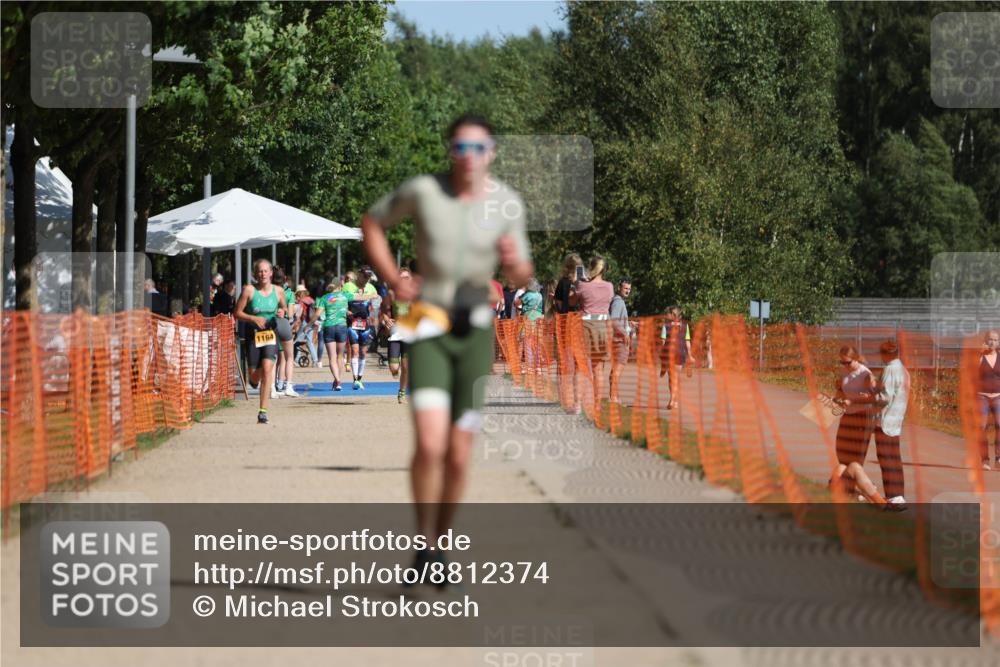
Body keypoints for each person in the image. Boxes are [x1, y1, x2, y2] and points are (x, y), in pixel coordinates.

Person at [361, 113, 533, 579]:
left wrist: (516, 267)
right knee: (431, 444)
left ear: (491, 153)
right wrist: (394, 278)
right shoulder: (424, 190)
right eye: (460, 148)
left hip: (475, 331)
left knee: (458, 453)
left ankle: (439, 542)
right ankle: (425, 545)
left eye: (478, 148)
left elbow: (521, 275)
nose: (469, 157)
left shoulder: (506, 203)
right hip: (431, 324)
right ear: (450, 152)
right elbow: (372, 223)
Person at [828, 345, 896, 508]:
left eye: (848, 362)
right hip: (847, 414)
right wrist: (838, 397)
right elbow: (841, 391)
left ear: (856, 359)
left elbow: (873, 398)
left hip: (862, 417)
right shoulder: (844, 372)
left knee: (856, 457)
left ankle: (857, 489)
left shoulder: (866, 374)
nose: (845, 365)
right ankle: (848, 487)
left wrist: (854, 400)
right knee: (841, 450)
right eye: (841, 362)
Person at [233, 258, 289, 424]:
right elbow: (237, 313)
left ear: (271, 273)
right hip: (253, 335)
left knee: (267, 369)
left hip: (270, 333)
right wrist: (253, 318)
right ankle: (253, 379)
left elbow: (284, 307)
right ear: (255, 274)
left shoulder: (278, 291)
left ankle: (263, 411)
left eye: (266, 271)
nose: (263, 274)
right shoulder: (249, 290)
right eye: (260, 271)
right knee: (255, 376)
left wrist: (281, 311)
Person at [570, 256, 615, 413]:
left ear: (591, 267)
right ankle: (597, 405)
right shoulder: (609, 287)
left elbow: (571, 302)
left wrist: (576, 284)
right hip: (602, 326)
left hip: (585, 325)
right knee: (598, 368)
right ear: (604, 270)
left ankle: (577, 405)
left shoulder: (583, 285)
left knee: (580, 366)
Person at [873, 340, 909, 507]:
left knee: (885, 457)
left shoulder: (889, 369)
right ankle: (898, 495)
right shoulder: (903, 369)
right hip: (897, 419)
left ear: (886, 354)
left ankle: (892, 495)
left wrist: (871, 396)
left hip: (885, 420)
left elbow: (885, 397)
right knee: (895, 458)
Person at [382, 269, 414, 402]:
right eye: (401, 278)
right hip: (395, 334)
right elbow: (384, 311)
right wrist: (386, 319)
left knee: (406, 368)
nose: (404, 280)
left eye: (406, 278)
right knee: (394, 368)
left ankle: (401, 392)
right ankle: (396, 373)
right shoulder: (391, 294)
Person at [311, 280, 350, 390]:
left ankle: (337, 380)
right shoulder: (344, 295)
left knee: (332, 357)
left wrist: (308, 325)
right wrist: (373, 295)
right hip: (342, 327)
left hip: (329, 327)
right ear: (339, 287)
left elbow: (317, 314)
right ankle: (337, 381)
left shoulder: (324, 298)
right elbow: (359, 297)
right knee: (340, 356)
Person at [346, 270, 378, 390]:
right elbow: (342, 300)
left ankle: (360, 379)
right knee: (354, 351)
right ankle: (355, 380)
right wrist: (345, 310)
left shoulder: (371, 288)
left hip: (365, 324)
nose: (366, 279)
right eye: (364, 277)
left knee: (363, 353)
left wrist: (374, 315)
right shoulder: (348, 286)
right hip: (352, 323)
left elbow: (376, 302)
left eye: (368, 277)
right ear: (359, 275)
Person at [659, 306, 694, 409]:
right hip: (681, 353)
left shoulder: (666, 325)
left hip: (670, 352)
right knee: (676, 377)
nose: (666, 316)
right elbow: (687, 341)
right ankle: (675, 400)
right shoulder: (685, 325)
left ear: (673, 315)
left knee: (672, 377)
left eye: (668, 314)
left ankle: (672, 399)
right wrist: (690, 355)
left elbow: (663, 341)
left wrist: (662, 353)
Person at [272, 267, 299, 397]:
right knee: (289, 357)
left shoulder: (267, 291)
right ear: (284, 279)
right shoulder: (288, 293)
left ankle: (271, 388)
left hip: (269, 325)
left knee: (271, 358)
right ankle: (287, 386)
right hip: (283, 324)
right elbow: (291, 313)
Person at [977, 330, 1000, 471]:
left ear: (998, 343)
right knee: (982, 427)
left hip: (998, 396)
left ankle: (999, 457)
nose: (992, 342)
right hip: (982, 397)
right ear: (985, 341)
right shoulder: (979, 357)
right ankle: (984, 459)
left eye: (995, 340)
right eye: (990, 339)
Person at [609, 278, 632, 403]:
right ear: (619, 288)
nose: (627, 291)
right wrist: (624, 333)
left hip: (617, 339)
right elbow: (613, 320)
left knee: (615, 369)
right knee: (618, 369)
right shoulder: (618, 302)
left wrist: (629, 324)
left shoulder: (619, 301)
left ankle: (614, 396)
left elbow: (619, 320)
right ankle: (614, 397)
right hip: (619, 341)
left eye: (629, 289)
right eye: (625, 288)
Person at [515, 279, 544, 374]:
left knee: (527, 343)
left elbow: (516, 303)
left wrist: (520, 297)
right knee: (537, 344)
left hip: (528, 320)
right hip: (539, 320)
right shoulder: (540, 295)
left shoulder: (527, 295)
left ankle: (529, 366)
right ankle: (538, 367)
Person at [293, 284, 319, 367]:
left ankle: (296, 360)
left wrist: (297, 322)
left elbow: (300, 313)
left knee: (296, 341)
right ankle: (315, 361)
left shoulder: (301, 301)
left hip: (305, 322)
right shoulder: (311, 299)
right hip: (312, 322)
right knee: (309, 342)